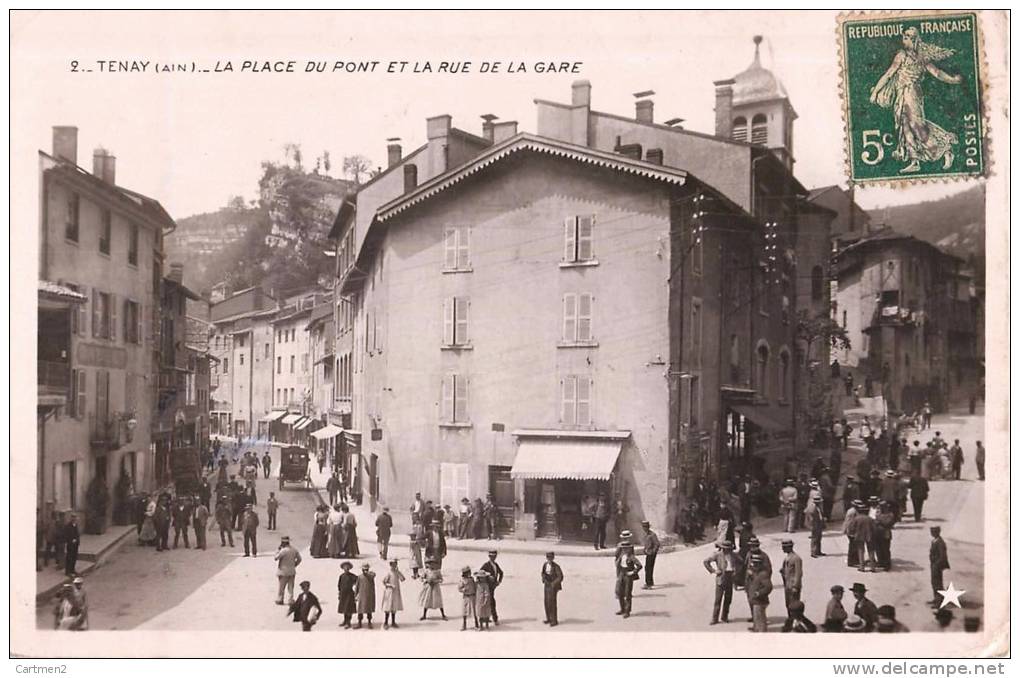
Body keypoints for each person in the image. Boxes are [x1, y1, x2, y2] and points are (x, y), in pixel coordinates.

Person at [703, 540, 738, 625]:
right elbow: (706, 561)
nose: (728, 550)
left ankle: (724, 617)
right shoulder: (718, 555)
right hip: (721, 578)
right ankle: (715, 619)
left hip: (730, 578)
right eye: (726, 549)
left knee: (728, 599)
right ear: (723, 548)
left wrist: (736, 571)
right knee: (718, 600)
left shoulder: (734, 555)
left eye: (729, 549)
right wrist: (714, 571)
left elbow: (741, 562)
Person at [614, 534, 642, 619]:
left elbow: (639, 565)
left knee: (627, 593)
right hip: (621, 574)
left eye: (626, 548)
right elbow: (617, 564)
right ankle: (622, 609)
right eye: (623, 548)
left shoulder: (632, 557)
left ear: (629, 549)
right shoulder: (621, 556)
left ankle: (627, 611)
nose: (624, 550)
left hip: (628, 575)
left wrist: (633, 572)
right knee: (619, 592)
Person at [746, 553, 772, 632]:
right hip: (755, 600)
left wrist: (759, 593)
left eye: (756, 564)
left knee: (760, 618)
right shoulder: (755, 573)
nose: (754, 565)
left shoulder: (763, 574)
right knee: (756, 617)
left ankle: (761, 632)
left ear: (760, 564)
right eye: (754, 563)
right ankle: (756, 628)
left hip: (760, 600)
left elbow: (769, 587)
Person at [780, 539, 803, 623]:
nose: (782, 549)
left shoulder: (796, 558)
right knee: (788, 604)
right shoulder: (787, 558)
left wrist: (795, 586)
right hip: (787, 585)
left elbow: (798, 573)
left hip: (793, 586)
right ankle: (791, 619)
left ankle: (795, 621)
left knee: (794, 605)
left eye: (784, 547)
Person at [478, 550, 505, 625]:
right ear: (489, 557)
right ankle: (493, 618)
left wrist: (499, 581)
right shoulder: (486, 565)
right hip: (487, 586)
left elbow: (501, 573)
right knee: (490, 602)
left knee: (490, 602)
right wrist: (488, 577)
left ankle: (489, 617)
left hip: (493, 587)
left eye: (494, 556)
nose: (493, 558)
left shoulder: (496, 565)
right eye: (492, 556)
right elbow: (480, 574)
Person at [929, 526, 951, 607]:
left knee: (937, 583)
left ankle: (939, 601)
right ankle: (936, 598)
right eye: (931, 531)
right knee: (934, 582)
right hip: (933, 564)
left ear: (938, 532)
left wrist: (937, 565)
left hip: (937, 566)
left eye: (934, 531)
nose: (932, 533)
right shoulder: (934, 541)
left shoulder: (940, 543)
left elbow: (943, 556)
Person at [381, 558, 405, 629]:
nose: (393, 567)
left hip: (396, 592)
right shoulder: (388, 573)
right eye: (392, 565)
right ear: (390, 565)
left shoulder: (397, 572)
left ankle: (393, 622)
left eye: (395, 565)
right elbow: (384, 582)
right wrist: (390, 585)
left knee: (394, 607)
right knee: (388, 607)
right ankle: (385, 622)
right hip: (389, 592)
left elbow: (403, 579)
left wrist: (398, 571)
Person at [541, 551, 564, 627]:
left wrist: (553, 584)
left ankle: (554, 620)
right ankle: (548, 618)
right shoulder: (545, 565)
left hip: (553, 587)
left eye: (550, 558)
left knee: (552, 603)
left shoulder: (556, 566)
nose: (549, 560)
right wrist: (544, 578)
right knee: (546, 602)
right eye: (548, 558)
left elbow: (560, 577)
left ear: (553, 558)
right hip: (547, 585)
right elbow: (543, 573)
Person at [336, 561, 358, 628]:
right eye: (345, 567)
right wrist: (339, 593)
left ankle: (348, 622)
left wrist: (355, 587)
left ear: (349, 568)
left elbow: (358, 580)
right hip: (343, 594)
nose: (346, 568)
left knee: (349, 609)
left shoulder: (352, 576)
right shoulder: (341, 576)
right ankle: (345, 621)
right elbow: (339, 585)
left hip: (349, 594)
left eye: (347, 567)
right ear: (343, 568)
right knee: (344, 608)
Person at [355, 563, 376, 628]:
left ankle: (369, 622)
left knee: (369, 609)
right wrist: (356, 595)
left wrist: (369, 573)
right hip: (361, 595)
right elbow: (357, 586)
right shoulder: (360, 577)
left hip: (369, 595)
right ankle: (359, 622)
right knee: (360, 609)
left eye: (366, 569)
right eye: (364, 569)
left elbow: (374, 574)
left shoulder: (370, 576)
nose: (365, 571)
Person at [457, 566, 478, 631]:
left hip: (472, 596)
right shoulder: (462, 580)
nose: (470, 573)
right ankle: (464, 624)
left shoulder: (471, 579)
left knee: (474, 611)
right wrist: (464, 589)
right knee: (465, 610)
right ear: (465, 573)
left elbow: (475, 586)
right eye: (468, 572)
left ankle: (476, 624)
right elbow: (459, 588)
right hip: (466, 596)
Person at [641, 520, 660, 589]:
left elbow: (657, 544)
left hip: (651, 554)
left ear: (648, 527)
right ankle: (650, 582)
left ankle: (648, 584)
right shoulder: (646, 534)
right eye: (643, 527)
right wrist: (645, 549)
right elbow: (647, 544)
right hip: (648, 553)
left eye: (645, 526)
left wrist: (653, 551)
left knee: (649, 568)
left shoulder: (652, 534)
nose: (644, 528)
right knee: (647, 568)